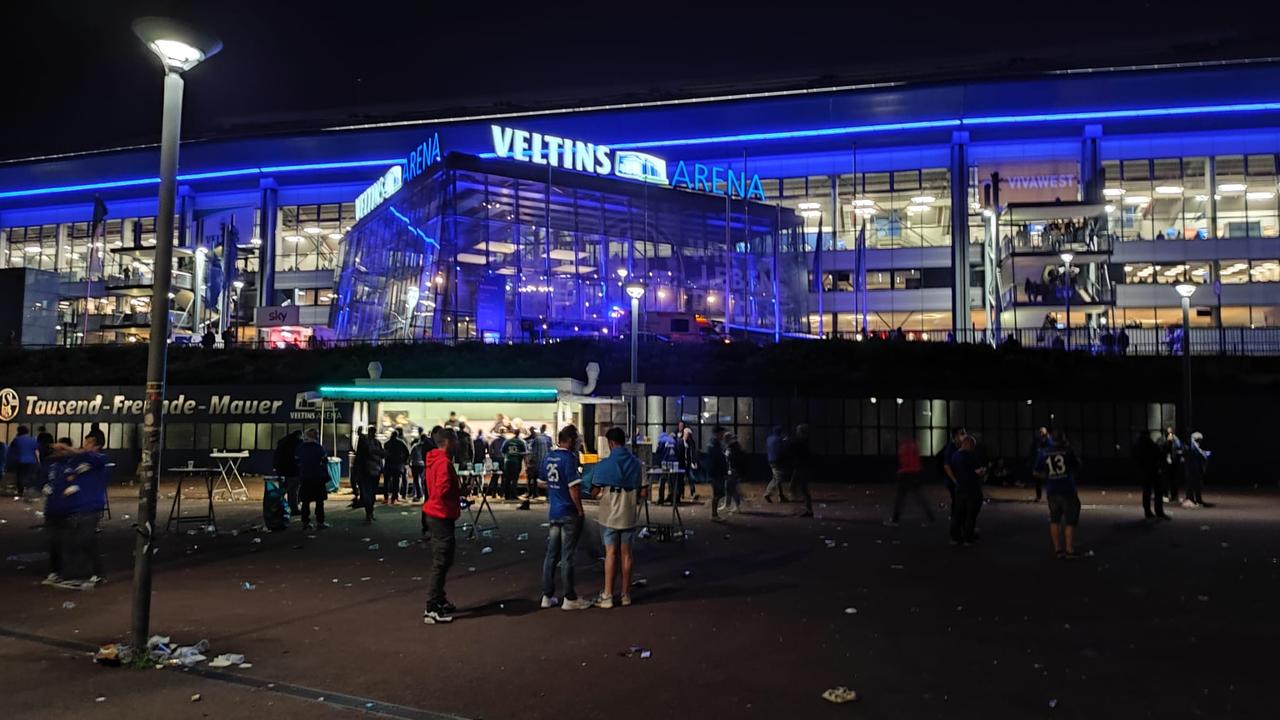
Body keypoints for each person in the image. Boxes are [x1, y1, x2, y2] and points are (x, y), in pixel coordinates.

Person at [43, 433, 110, 588]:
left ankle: (98, 574)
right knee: (70, 540)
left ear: (97, 446)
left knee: (85, 539)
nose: (85, 445)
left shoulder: (99, 458)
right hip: (76, 506)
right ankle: (65, 571)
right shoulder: (78, 460)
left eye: (89, 442)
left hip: (92, 505)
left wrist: (66, 447)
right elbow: (66, 466)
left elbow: (82, 454)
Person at [591, 427, 643, 608]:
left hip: (609, 515)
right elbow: (643, 490)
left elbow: (594, 490)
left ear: (611, 443)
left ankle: (608, 595)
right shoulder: (637, 464)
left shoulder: (603, 465)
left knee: (610, 554)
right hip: (628, 513)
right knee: (627, 555)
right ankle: (626, 594)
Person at [541, 425, 592, 611]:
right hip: (567, 511)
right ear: (569, 441)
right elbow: (574, 488)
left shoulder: (549, 457)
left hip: (554, 511)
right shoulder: (568, 459)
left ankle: (547, 595)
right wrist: (580, 509)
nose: (578, 443)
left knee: (551, 555)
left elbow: (542, 479)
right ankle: (569, 597)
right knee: (567, 556)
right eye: (576, 440)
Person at [422, 428, 461, 624]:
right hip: (441, 514)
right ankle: (431, 607)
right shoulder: (444, 463)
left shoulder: (433, 460)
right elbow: (443, 489)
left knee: (444, 559)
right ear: (447, 441)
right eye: (455, 440)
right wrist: (458, 489)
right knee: (441, 561)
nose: (458, 444)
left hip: (435, 513)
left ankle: (439, 599)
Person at [1034, 431, 1082, 559]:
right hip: (1067, 489)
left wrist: (1049, 477)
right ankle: (1069, 549)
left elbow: (1036, 472)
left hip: (1052, 490)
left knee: (1054, 519)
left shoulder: (1043, 452)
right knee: (1070, 520)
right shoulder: (1067, 451)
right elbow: (1077, 465)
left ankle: (1058, 550)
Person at [886, 436, 935, 526]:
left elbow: (905, 462)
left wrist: (901, 471)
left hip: (906, 475)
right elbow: (917, 461)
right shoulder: (914, 446)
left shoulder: (903, 447)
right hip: (916, 473)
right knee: (920, 497)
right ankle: (931, 517)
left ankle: (895, 520)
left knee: (900, 498)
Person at [945, 436, 984, 545]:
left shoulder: (955, 456)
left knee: (958, 514)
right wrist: (982, 472)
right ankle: (968, 538)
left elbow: (952, 468)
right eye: (972, 446)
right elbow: (978, 471)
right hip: (972, 488)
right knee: (971, 515)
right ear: (969, 444)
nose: (973, 448)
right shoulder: (971, 456)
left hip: (960, 488)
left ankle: (955, 537)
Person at [295, 429, 330, 530]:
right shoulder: (318, 447)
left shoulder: (301, 447)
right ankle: (320, 522)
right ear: (314, 436)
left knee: (305, 501)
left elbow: (297, 461)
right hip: (317, 478)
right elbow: (325, 461)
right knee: (319, 501)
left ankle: (305, 522)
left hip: (305, 478)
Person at [1133, 432, 1168, 520]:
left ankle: (1147, 511)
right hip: (1152, 470)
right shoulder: (1150, 444)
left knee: (1147, 492)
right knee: (1157, 491)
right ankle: (1159, 511)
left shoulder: (1138, 445)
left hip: (1144, 471)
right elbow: (1158, 453)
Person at [273, 430, 303, 517]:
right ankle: (294, 508)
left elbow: (277, 456)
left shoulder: (283, 442)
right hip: (292, 469)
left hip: (281, 469)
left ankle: (277, 506)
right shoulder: (297, 443)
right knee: (293, 489)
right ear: (299, 436)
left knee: (283, 488)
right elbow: (298, 456)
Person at [358, 426, 385, 522]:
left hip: (372, 470)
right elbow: (381, 454)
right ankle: (369, 512)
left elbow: (382, 454)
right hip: (369, 470)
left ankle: (369, 512)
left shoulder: (375, 443)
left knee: (370, 492)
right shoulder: (369, 443)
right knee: (369, 492)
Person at [788, 424, 815, 518]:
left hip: (801, 467)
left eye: (798, 431)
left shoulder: (801, 442)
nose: (796, 432)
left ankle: (806, 509)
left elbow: (793, 448)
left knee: (799, 488)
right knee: (798, 488)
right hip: (801, 467)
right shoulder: (804, 442)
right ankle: (805, 509)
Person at [704, 426, 729, 522]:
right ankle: (714, 514)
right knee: (717, 493)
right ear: (717, 434)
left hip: (716, 473)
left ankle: (714, 513)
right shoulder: (714, 445)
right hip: (716, 473)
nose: (723, 436)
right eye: (722, 434)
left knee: (718, 493)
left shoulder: (714, 444)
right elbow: (716, 460)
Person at [8, 426, 40, 497]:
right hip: (32, 460)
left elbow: (12, 450)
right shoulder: (33, 440)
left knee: (20, 476)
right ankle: (29, 490)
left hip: (20, 460)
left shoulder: (16, 440)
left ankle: (21, 491)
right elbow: (36, 451)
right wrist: (38, 461)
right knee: (31, 476)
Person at [525, 425, 552, 507]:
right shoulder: (546, 438)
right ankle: (545, 495)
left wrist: (529, 462)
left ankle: (532, 493)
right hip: (544, 461)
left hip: (536, 462)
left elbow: (533, 452)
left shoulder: (536, 439)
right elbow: (549, 449)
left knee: (531, 478)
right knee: (544, 479)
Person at [937, 427, 965, 505]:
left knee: (958, 500)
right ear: (955, 436)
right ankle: (955, 516)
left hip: (957, 480)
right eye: (962, 433)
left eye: (965, 433)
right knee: (957, 500)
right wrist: (955, 480)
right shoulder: (950, 448)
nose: (965, 436)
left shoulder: (961, 447)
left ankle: (956, 516)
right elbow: (946, 466)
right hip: (952, 481)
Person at [1182, 431, 1210, 508]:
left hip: (1193, 468)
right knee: (1192, 485)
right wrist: (1205, 455)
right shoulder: (1193, 446)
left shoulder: (1193, 446)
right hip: (1192, 468)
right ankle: (1192, 499)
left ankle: (1196, 499)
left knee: (1196, 485)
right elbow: (1199, 455)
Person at [763, 426, 790, 503]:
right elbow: (782, 449)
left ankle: (781, 496)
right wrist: (785, 441)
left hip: (770, 460)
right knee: (778, 478)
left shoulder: (769, 438)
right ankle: (768, 493)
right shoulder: (779, 439)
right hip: (778, 461)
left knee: (776, 478)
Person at [383, 428, 410, 505]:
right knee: (396, 482)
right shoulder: (401, 443)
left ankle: (386, 497)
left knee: (386, 482)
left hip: (388, 465)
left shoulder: (386, 443)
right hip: (397, 465)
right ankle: (394, 498)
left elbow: (384, 453)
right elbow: (407, 452)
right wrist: (404, 461)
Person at [723, 432, 747, 514]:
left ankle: (737, 506)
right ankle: (728, 505)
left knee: (732, 488)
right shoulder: (732, 447)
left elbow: (733, 460)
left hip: (733, 470)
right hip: (732, 470)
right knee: (728, 488)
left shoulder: (733, 448)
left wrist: (731, 468)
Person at [501, 430, 527, 503]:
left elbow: (502, 451)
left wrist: (507, 457)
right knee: (515, 479)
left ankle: (506, 495)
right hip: (516, 461)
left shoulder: (507, 441)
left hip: (508, 461)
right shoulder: (521, 442)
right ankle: (513, 494)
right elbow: (524, 453)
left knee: (507, 479)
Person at [1160, 427, 1183, 503]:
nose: (1170, 435)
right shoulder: (1162, 441)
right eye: (1168, 433)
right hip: (1165, 463)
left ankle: (1174, 496)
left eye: (1171, 433)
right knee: (1165, 480)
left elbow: (1179, 448)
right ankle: (1165, 495)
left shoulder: (1176, 440)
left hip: (1173, 463)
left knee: (1174, 480)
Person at [1028, 426, 1051, 502]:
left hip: (1047, 464)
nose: (1041, 433)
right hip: (1040, 464)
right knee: (1037, 481)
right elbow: (1036, 453)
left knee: (1049, 481)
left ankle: (1050, 496)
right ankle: (1038, 496)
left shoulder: (1049, 440)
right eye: (1040, 432)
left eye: (1043, 432)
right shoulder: (1038, 441)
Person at [677, 425, 700, 502]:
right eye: (687, 434)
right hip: (681, 463)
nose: (688, 436)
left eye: (689, 435)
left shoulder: (691, 443)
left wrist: (694, 462)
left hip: (688, 463)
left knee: (691, 478)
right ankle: (681, 494)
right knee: (681, 480)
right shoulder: (679, 441)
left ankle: (693, 493)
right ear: (684, 433)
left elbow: (693, 453)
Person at [409, 432, 430, 503]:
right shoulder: (427, 447)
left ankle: (419, 495)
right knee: (424, 481)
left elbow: (411, 455)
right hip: (424, 465)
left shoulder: (415, 446)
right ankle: (425, 495)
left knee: (416, 481)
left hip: (415, 464)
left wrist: (409, 463)